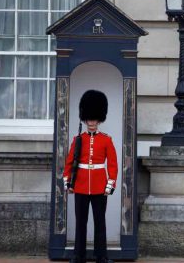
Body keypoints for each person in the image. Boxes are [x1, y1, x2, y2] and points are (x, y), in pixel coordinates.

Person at [63, 90, 118, 263]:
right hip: (80, 185)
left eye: (94, 119)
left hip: (99, 186)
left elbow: (113, 165)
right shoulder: (78, 139)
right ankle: (79, 256)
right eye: (89, 119)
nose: (92, 122)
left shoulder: (106, 140)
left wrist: (110, 184)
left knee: (99, 223)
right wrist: (68, 182)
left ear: (99, 119)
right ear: (85, 119)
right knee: (81, 223)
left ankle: (101, 256)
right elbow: (69, 162)